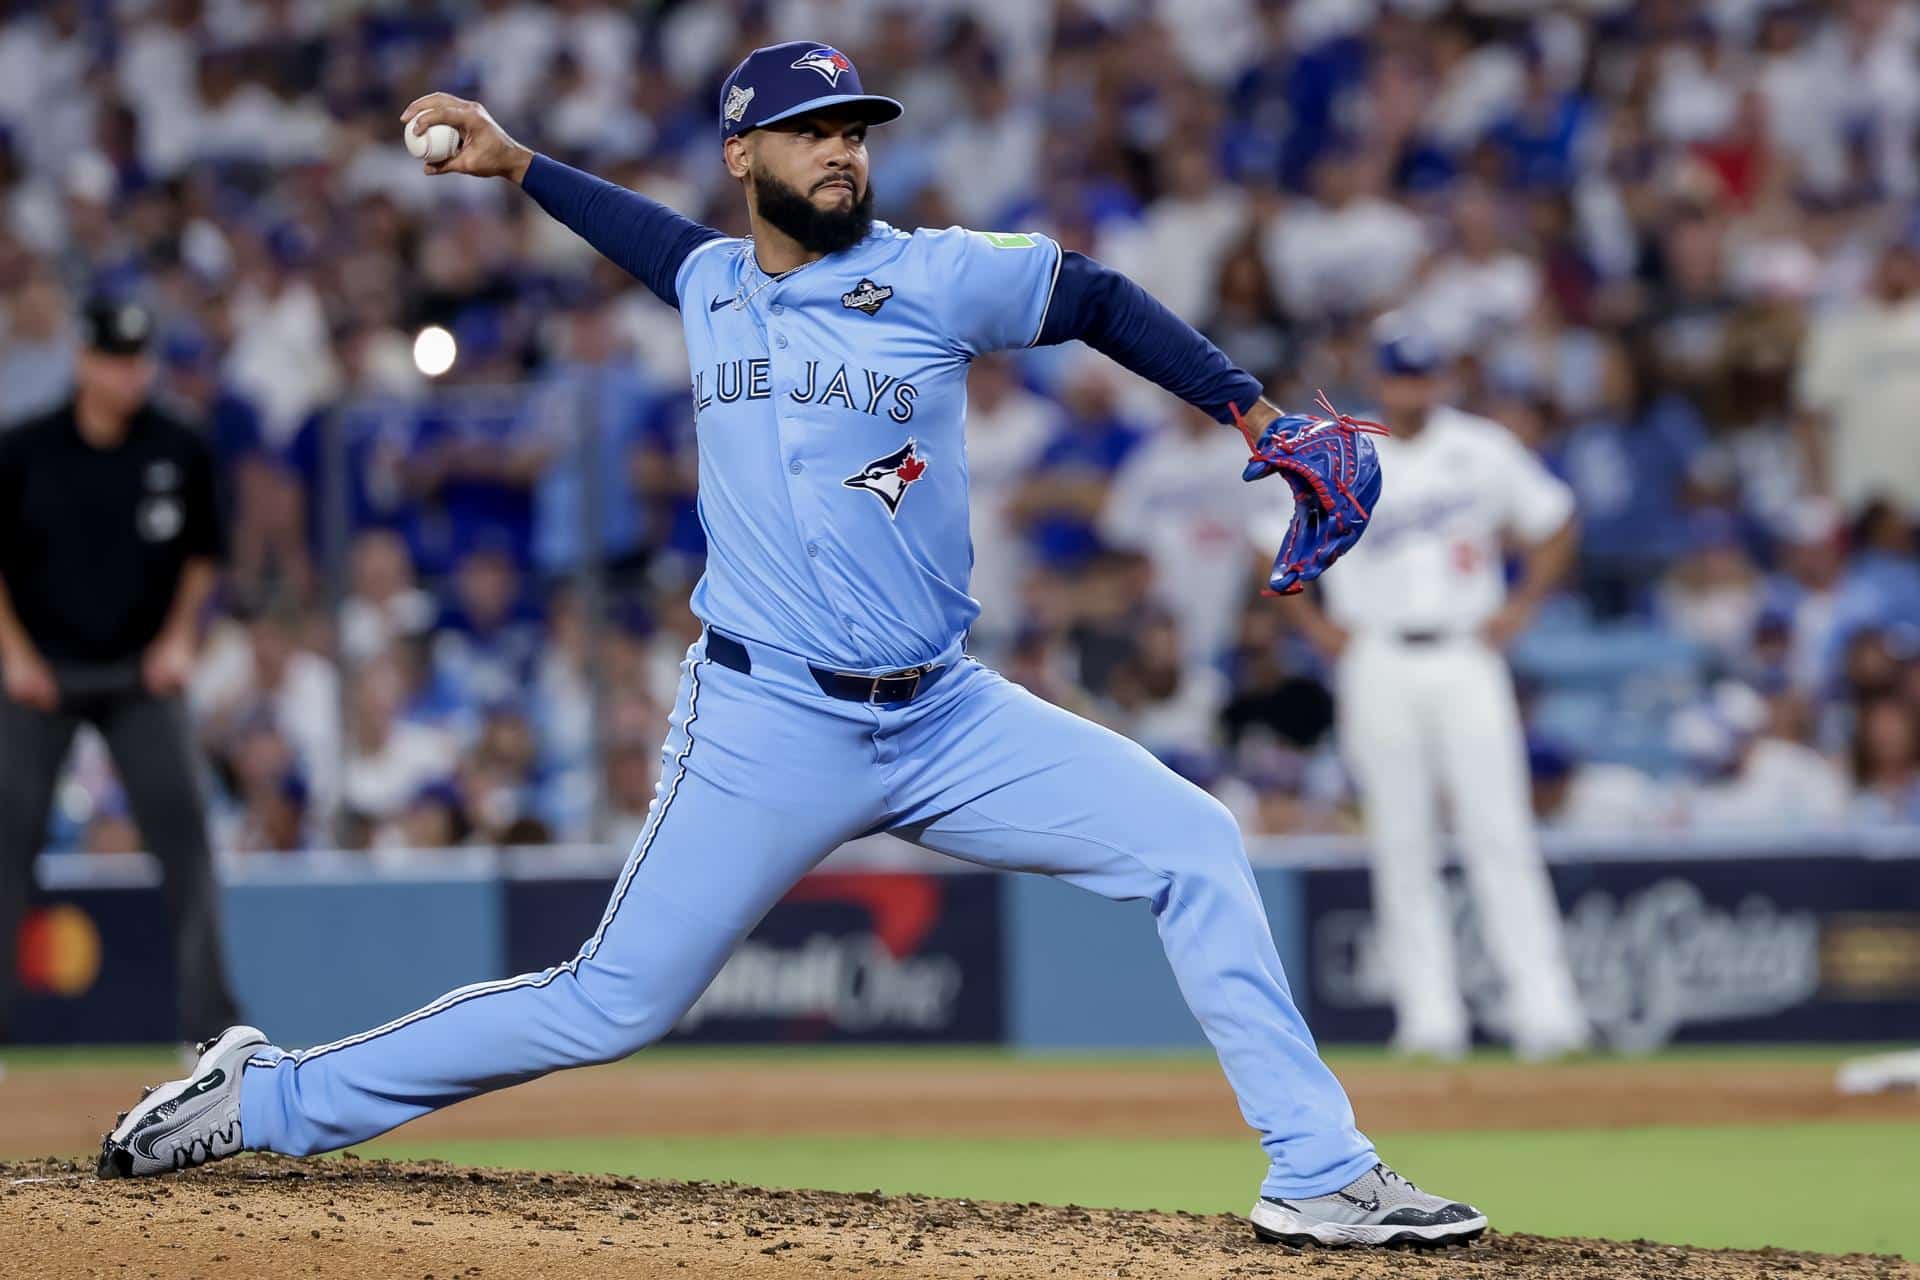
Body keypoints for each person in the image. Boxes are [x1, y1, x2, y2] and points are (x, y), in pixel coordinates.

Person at [99, 43, 1486, 1251]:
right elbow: (645, 237)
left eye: (855, 130)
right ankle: (263, 1096)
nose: (843, 149)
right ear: (743, 153)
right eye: (815, 130)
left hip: (947, 716)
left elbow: (1098, 297)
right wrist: (522, 166)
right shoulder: (710, 283)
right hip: (768, 727)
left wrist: (1249, 414)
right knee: (606, 1004)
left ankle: (1319, 1173)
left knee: (1196, 844)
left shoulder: (932, 277)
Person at [1285, 323, 1590, 1062]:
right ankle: (1429, 1019)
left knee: (1499, 831)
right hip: (1378, 654)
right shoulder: (1345, 451)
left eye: (1424, 376)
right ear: (1379, 380)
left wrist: (1522, 607)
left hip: (1465, 652)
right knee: (1400, 838)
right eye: (1400, 376)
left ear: (1443, 379)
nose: (1413, 389)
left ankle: (1545, 1011)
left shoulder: (1482, 448)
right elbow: (1273, 538)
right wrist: (1316, 627)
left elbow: (1556, 522)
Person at [0, 297, 241, 1045]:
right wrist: (14, 657)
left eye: (138, 361)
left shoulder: (178, 446)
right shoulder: (25, 448)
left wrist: (178, 641)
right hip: (41, 673)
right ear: (84, 361)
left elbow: (204, 556)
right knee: (6, 839)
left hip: (142, 673)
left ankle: (210, 1030)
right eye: (114, 359)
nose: (129, 375)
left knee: (185, 837)